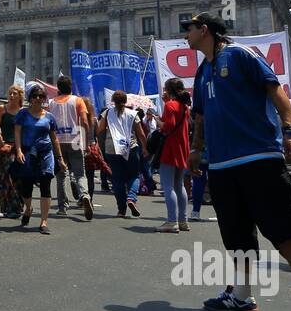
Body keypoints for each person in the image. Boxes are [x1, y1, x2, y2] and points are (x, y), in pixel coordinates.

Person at [183, 12, 291, 311]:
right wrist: (196, 150)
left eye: (189, 29)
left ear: (204, 30)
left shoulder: (240, 55)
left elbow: (277, 93)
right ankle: (242, 297)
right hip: (221, 165)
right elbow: (200, 117)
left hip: (258, 157)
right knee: (236, 235)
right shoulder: (202, 71)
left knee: (282, 231)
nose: (185, 35)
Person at [12, 83, 64, 234]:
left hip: (46, 154)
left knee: (45, 184)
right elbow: (17, 132)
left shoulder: (49, 117)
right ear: (30, 98)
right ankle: (28, 208)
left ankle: (43, 221)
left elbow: (54, 139)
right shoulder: (23, 114)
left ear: (44, 99)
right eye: (34, 96)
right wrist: (19, 150)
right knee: (26, 186)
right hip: (28, 153)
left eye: (41, 96)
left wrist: (60, 158)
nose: (37, 99)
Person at [97, 90, 148, 219]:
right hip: (130, 147)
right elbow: (140, 133)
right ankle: (131, 197)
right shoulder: (133, 114)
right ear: (126, 101)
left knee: (117, 178)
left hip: (112, 148)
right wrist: (145, 147)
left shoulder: (107, 113)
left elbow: (99, 129)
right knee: (134, 175)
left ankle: (121, 209)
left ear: (113, 101)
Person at [50, 76, 94, 220]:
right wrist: (87, 141)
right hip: (75, 139)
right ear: (71, 87)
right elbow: (85, 123)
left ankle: (62, 207)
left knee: (61, 175)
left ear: (58, 88)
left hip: (57, 141)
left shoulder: (51, 103)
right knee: (80, 174)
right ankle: (84, 195)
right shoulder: (77, 100)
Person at [154, 77, 192, 233]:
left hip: (170, 148)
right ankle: (183, 220)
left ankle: (172, 221)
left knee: (168, 185)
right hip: (183, 147)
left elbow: (167, 126)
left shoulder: (170, 106)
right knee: (179, 185)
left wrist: (158, 122)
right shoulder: (184, 106)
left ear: (169, 91)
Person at [0, 84, 25, 218]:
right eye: (10, 93)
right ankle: (8, 208)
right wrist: (0, 145)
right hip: (4, 149)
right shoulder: (2, 109)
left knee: (19, 179)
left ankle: (18, 206)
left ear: (20, 96)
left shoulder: (23, 111)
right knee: (6, 179)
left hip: (19, 148)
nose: (11, 96)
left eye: (14, 94)